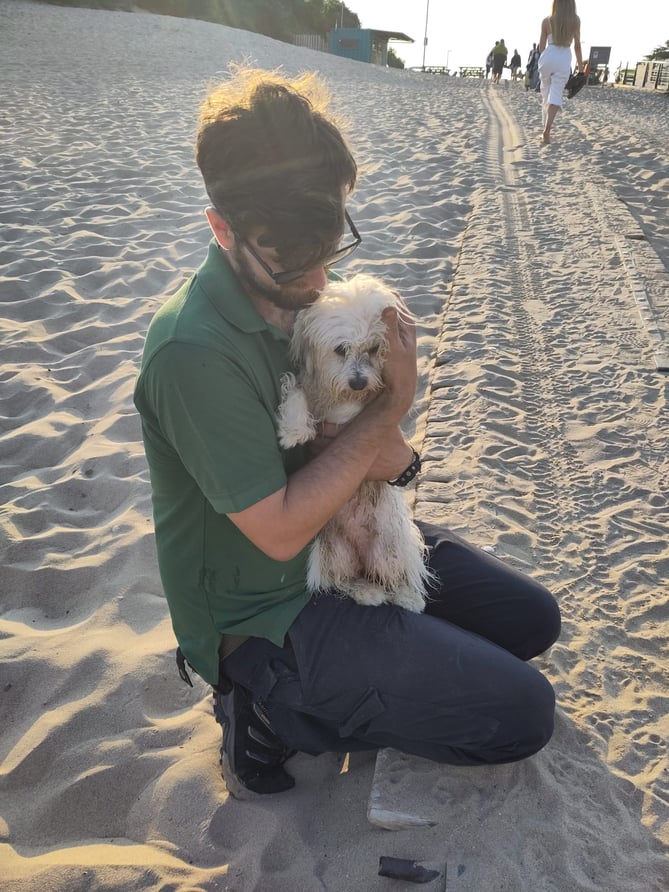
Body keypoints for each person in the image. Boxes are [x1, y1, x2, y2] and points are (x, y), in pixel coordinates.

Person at [134, 65, 561, 798]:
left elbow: (395, 469)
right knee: (522, 713)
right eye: (289, 251)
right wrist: (386, 412)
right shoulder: (194, 351)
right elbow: (277, 530)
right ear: (221, 228)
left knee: (530, 622)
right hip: (269, 607)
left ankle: (389, 668)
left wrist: (388, 412)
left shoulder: (321, 312)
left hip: (343, 540)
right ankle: (260, 709)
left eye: (329, 241)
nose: (314, 273)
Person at [538, 0, 584, 143]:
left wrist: (544, 59)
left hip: (548, 55)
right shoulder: (575, 21)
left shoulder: (547, 21)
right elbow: (577, 46)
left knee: (545, 91)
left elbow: (541, 47)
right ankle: (547, 131)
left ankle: (543, 126)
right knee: (556, 94)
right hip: (564, 56)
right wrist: (581, 69)